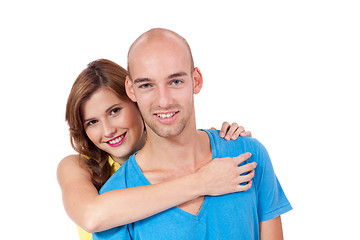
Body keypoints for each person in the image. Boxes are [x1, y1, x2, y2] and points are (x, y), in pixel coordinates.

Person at [93, 28, 292, 240]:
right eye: (147, 85)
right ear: (131, 90)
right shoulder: (115, 199)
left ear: (196, 80)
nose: (164, 100)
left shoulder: (248, 155)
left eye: (175, 81)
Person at [57, 59, 256, 240]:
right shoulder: (78, 167)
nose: (108, 130)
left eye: (115, 111)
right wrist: (203, 181)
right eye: (92, 122)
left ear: (137, 101)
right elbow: (91, 216)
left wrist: (227, 144)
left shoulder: (184, 156)